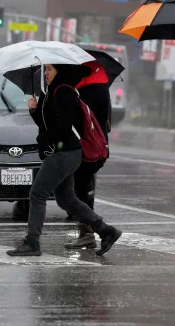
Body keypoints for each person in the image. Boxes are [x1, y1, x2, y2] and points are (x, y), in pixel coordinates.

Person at [6, 63, 122, 257]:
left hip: (65, 152)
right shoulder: (50, 91)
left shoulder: (64, 91)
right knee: (66, 199)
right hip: (63, 152)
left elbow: (65, 125)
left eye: (50, 69)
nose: (46, 73)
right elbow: (46, 123)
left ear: (60, 70)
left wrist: (47, 139)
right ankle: (106, 231)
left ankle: (32, 243)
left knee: (37, 194)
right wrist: (34, 110)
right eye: (45, 69)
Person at [64, 61, 112, 249]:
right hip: (98, 147)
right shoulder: (101, 88)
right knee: (84, 188)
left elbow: (79, 118)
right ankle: (89, 232)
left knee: (81, 191)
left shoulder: (88, 91)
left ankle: (89, 233)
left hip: (88, 148)